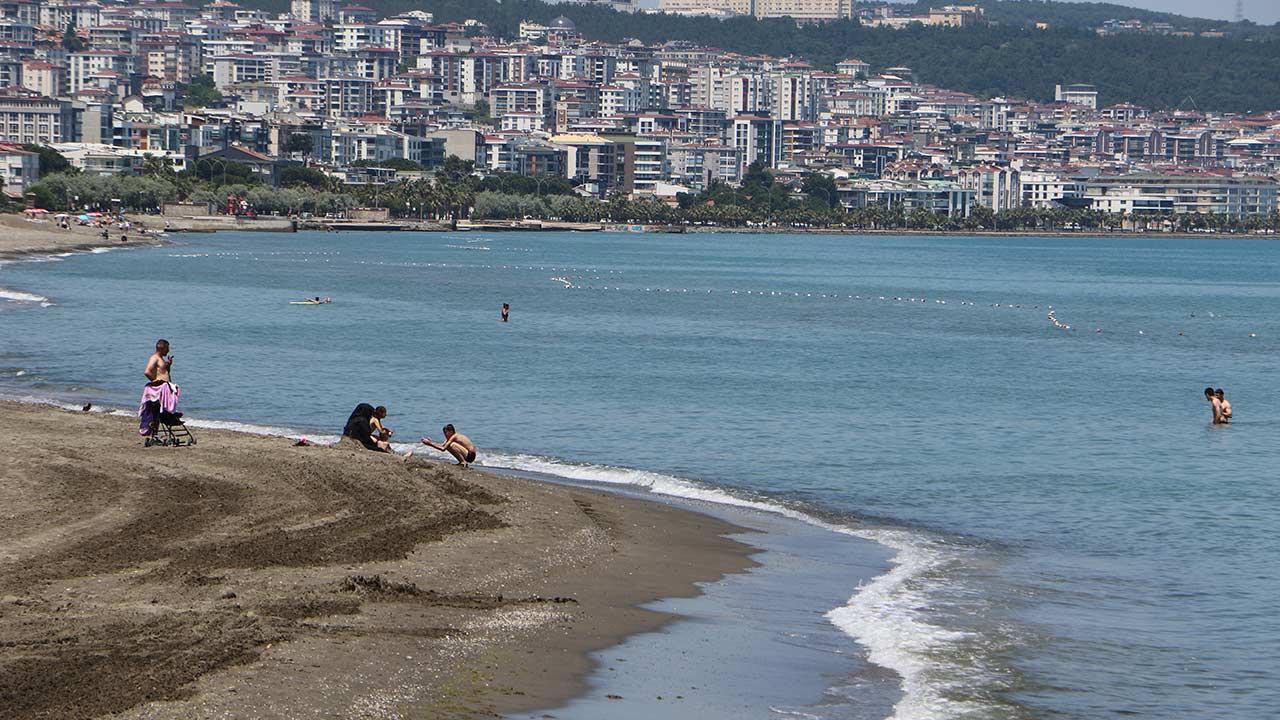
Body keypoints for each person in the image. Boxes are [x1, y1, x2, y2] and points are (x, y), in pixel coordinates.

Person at [139, 339, 180, 439]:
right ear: (162, 348)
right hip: (160, 388)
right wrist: (156, 381)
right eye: (167, 348)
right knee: (156, 411)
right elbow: (147, 371)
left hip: (165, 387)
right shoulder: (155, 358)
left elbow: (164, 372)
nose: (168, 351)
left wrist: (168, 366)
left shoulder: (161, 359)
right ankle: (154, 433)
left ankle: (155, 433)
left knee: (158, 412)